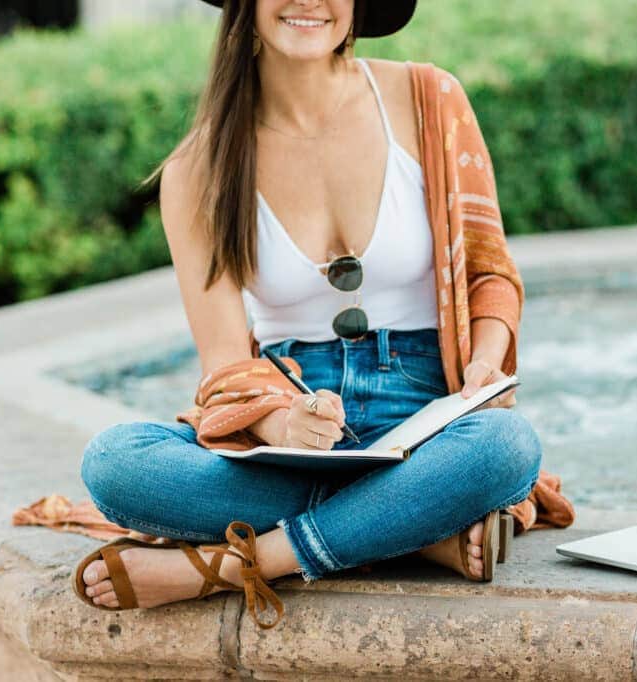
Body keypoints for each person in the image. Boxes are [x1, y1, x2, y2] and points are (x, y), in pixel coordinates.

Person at [73, 0, 549, 630]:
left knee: (507, 447)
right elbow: (223, 359)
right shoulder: (197, 169)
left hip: (429, 420)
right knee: (115, 463)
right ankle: (410, 528)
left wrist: (485, 366)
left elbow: (490, 274)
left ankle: (232, 565)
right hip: (294, 423)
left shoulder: (427, 97)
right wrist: (280, 425)